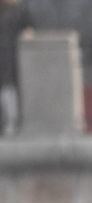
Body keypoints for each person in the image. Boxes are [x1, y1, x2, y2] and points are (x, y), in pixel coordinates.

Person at [0, 0, 32, 138]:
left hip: (12, 57)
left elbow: (29, 31)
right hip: (7, 56)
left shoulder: (20, 11)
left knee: (9, 90)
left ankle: (11, 123)